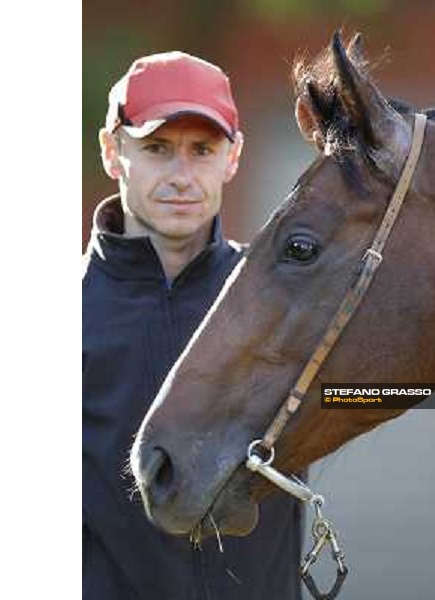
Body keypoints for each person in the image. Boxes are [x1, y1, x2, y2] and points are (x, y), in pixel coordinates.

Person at [83, 51, 304, 600]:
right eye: (157, 149)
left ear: (233, 158)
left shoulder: (283, 300)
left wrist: (424, 384)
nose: (182, 177)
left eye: (202, 150)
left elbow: (351, 397)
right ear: (113, 152)